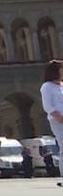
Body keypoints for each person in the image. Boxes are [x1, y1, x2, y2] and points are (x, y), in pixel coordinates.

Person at [40, 59, 63, 188]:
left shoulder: (62, 85)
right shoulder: (47, 86)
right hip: (58, 121)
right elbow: (47, 106)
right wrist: (58, 116)